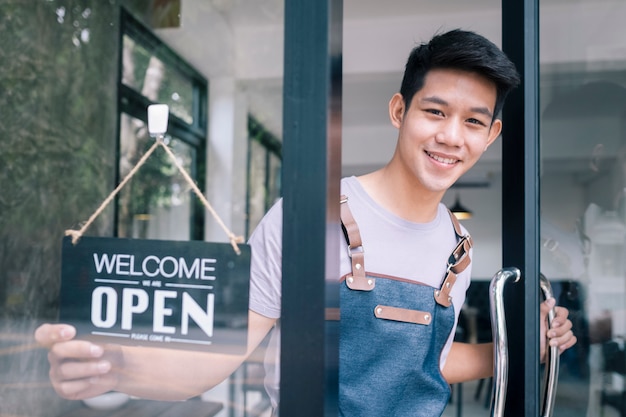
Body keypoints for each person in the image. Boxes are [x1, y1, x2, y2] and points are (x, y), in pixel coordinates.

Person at [35, 29, 577, 416]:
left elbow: (424, 360)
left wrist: (522, 350)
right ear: (398, 111)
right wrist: (110, 369)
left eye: (473, 122)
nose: (451, 137)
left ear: (492, 135)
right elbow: (217, 358)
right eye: (434, 112)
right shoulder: (307, 220)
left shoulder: (457, 245)